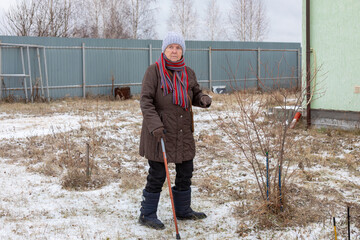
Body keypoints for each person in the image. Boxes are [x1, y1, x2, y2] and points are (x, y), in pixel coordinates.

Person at [138, 32, 212, 230]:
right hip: (159, 132)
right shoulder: (153, 71)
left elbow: (195, 93)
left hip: (182, 131)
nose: (174, 50)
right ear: (164, 49)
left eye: (178, 48)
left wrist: (202, 99)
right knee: (157, 174)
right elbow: (145, 101)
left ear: (182, 51)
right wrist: (155, 125)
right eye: (171, 47)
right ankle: (147, 214)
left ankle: (182, 210)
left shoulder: (187, 72)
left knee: (185, 172)